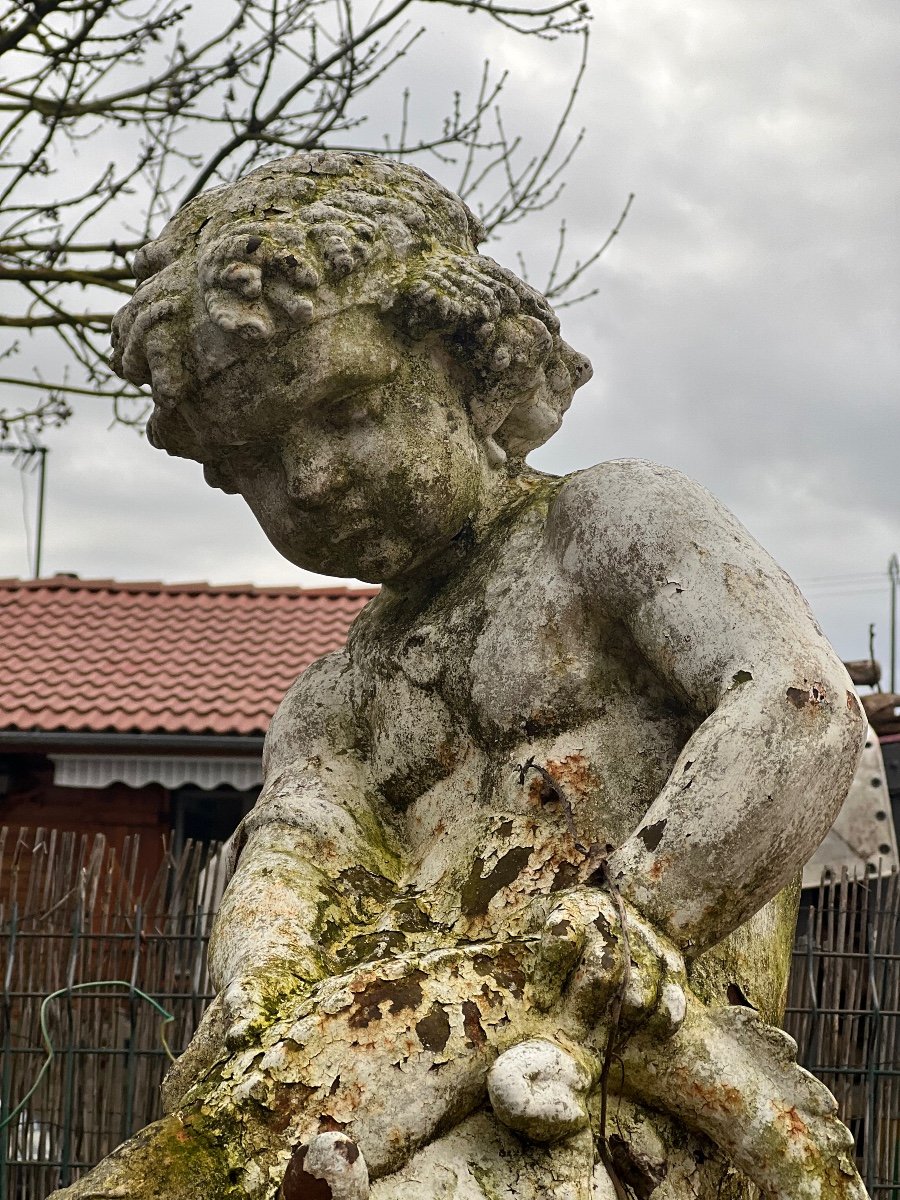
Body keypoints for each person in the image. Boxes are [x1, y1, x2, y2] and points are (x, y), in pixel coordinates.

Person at [90, 149, 866, 1198]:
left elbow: (798, 706)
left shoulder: (607, 527)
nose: (310, 480)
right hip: (392, 1058)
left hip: (628, 1067)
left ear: (472, 362)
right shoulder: (335, 697)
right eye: (259, 463)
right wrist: (260, 997)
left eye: (348, 410)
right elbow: (290, 855)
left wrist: (634, 917)